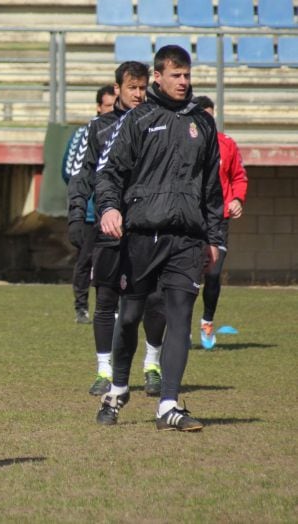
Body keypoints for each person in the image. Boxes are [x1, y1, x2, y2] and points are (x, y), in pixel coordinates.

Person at [95, 45, 224, 431]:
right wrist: (109, 208)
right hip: (141, 236)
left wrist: (214, 238)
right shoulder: (137, 120)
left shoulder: (202, 123)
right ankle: (117, 389)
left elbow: (212, 188)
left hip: (187, 238)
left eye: (187, 75)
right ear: (158, 76)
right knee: (131, 315)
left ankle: (168, 404)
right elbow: (109, 173)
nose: (184, 81)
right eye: (176, 74)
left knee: (179, 320)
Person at [68, 61, 166, 397]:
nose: (139, 94)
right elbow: (83, 174)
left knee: (154, 299)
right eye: (132, 88)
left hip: (147, 227)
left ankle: (152, 365)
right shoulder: (98, 128)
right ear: (117, 90)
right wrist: (77, 216)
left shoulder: (157, 122)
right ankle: (104, 371)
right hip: (108, 228)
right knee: (106, 298)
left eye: (142, 88)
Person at [194, 96, 248, 350]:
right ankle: (180, 325)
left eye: (210, 116)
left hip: (218, 220)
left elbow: (238, 177)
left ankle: (207, 322)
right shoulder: (185, 145)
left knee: (213, 274)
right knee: (186, 275)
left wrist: (237, 198)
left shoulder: (226, 145)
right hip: (190, 219)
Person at [63, 84, 117, 324]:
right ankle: (81, 307)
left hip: (112, 211)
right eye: (107, 106)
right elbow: (70, 170)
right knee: (85, 260)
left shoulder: (124, 130)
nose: (111, 110)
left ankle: (106, 308)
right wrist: (86, 197)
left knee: (108, 261)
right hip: (88, 212)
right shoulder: (83, 134)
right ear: (98, 107)